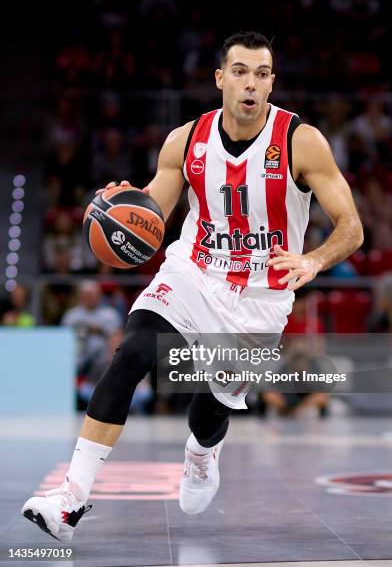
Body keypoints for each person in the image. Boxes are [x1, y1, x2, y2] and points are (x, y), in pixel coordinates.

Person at [22, 31, 363, 541]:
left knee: (209, 413)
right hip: (193, 272)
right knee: (132, 350)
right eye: (241, 71)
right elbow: (152, 211)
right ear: (220, 77)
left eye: (262, 74)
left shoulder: (301, 141)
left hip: (260, 298)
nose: (251, 84)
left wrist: (314, 260)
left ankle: (202, 453)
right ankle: (70, 498)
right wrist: (120, 208)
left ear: (271, 82)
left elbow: (352, 227)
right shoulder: (185, 140)